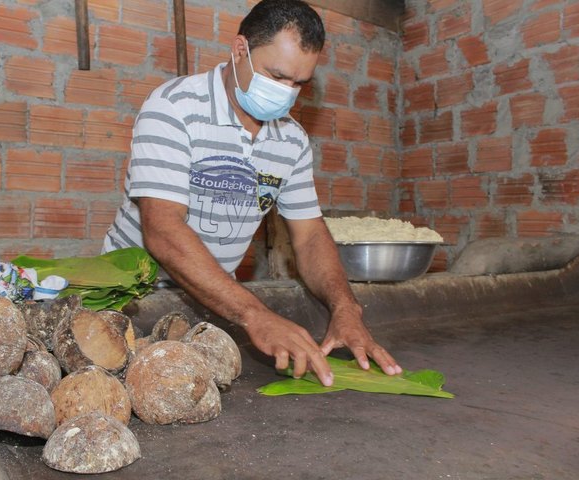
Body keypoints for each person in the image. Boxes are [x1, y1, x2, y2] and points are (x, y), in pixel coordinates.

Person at [103, 0, 401, 386]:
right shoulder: (174, 107)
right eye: (276, 76)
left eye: (299, 84)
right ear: (240, 49)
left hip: (212, 300)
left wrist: (346, 308)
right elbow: (162, 230)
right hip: (130, 299)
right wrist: (255, 315)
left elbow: (309, 235)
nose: (286, 93)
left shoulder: (291, 140)